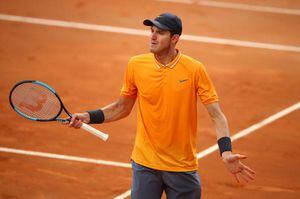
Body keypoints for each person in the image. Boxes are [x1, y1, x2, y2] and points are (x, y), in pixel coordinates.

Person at [68, 13, 255, 199]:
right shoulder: (136, 65)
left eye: (160, 32)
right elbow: (121, 108)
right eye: (151, 31)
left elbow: (217, 115)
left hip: (181, 166)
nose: (153, 36)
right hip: (145, 164)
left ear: (174, 38)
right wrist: (88, 116)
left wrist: (226, 151)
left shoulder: (194, 69)